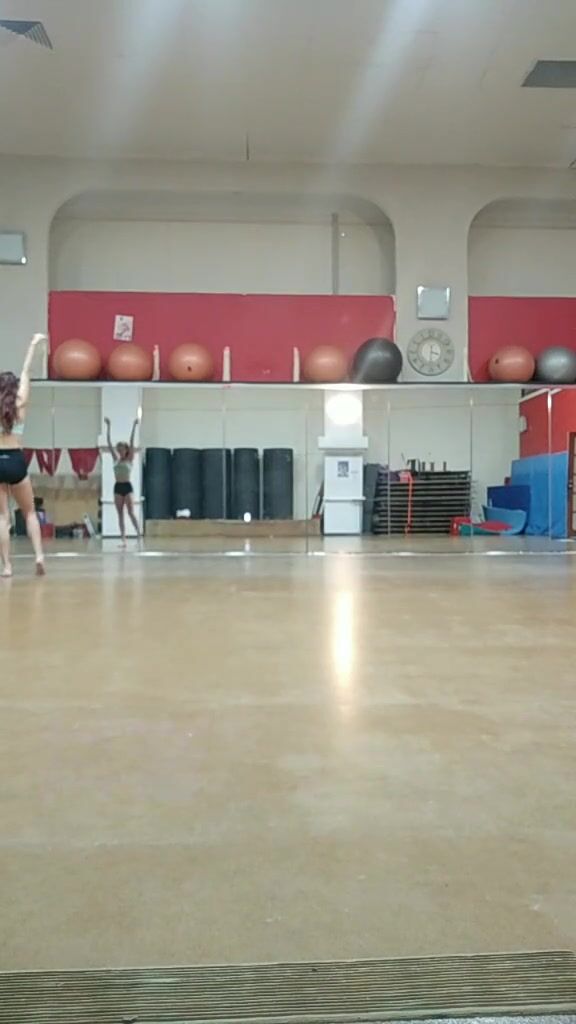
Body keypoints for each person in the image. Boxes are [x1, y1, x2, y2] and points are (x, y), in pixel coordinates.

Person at [0, 334, 47, 578]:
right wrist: (33, 344)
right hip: (17, 461)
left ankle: (7, 566)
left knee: (2, 517)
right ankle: (39, 556)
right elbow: (26, 371)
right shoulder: (20, 404)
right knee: (29, 512)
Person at [104, 416, 140, 546]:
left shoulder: (130, 459)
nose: (119, 451)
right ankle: (123, 539)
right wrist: (108, 426)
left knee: (130, 512)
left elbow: (131, 442)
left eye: (122, 449)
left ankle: (138, 533)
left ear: (126, 450)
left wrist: (134, 426)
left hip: (127, 486)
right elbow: (108, 443)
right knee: (120, 514)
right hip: (118, 487)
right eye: (118, 449)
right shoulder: (116, 459)